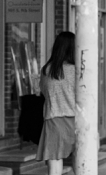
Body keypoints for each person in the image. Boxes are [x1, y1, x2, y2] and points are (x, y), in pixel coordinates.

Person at [35, 32, 76, 175]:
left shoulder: (46, 70)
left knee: (54, 162)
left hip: (53, 120)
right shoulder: (76, 71)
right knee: (79, 160)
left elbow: (43, 93)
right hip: (75, 121)